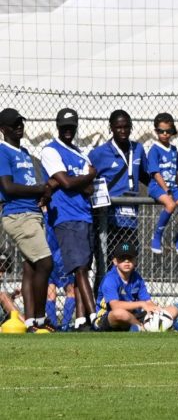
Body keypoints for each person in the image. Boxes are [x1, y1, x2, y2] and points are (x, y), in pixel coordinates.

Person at [40, 107, 99, 331]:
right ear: (57, 126)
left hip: (84, 214)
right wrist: (87, 175)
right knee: (79, 268)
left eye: (71, 127)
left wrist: (76, 180)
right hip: (66, 215)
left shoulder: (80, 152)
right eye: (64, 127)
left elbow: (89, 189)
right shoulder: (50, 150)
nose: (68, 131)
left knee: (83, 267)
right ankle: (94, 316)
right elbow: (66, 182)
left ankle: (81, 320)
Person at [0, 108, 56, 332]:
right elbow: (7, 187)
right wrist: (38, 189)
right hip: (18, 214)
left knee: (32, 266)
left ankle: (31, 322)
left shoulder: (23, 151)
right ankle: (40, 320)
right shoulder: (3, 151)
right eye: (14, 124)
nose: (19, 127)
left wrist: (43, 194)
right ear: (3, 129)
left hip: (31, 212)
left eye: (21, 122)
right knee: (45, 263)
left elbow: (29, 185)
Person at [89, 110, 149, 262]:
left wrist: (167, 190)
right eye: (118, 127)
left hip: (130, 219)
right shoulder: (98, 153)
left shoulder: (138, 149)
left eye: (126, 127)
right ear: (111, 128)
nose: (123, 131)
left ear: (131, 127)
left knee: (128, 262)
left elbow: (146, 176)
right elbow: (87, 180)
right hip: (108, 218)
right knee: (107, 262)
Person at [94, 240, 178, 332]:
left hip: (133, 316)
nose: (126, 261)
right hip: (108, 317)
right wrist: (141, 304)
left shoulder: (137, 278)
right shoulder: (110, 279)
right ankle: (141, 328)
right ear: (115, 261)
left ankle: (144, 327)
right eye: (122, 258)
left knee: (173, 310)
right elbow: (115, 306)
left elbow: (148, 302)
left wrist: (156, 310)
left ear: (135, 260)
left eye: (130, 258)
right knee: (120, 313)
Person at [147, 113, 178, 255]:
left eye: (168, 131)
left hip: (172, 188)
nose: (165, 134)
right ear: (156, 131)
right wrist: (166, 189)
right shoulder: (154, 150)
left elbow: (174, 172)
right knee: (170, 205)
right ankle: (157, 237)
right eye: (161, 131)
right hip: (157, 187)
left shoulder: (174, 150)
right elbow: (156, 173)